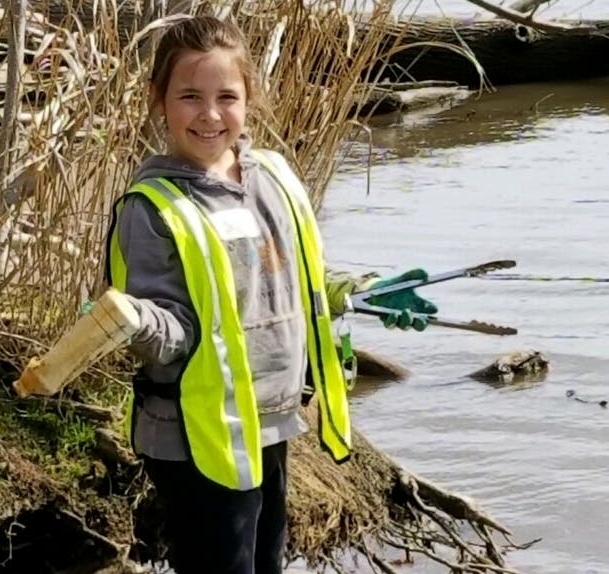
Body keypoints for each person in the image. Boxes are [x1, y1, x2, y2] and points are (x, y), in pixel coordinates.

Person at [103, 15, 436, 574]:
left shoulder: (275, 177)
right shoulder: (152, 208)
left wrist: (359, 292)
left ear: (249, 97)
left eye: (225, 96)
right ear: (158, 100)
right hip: (194, 435)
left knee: (267, 563)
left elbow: (296, 275)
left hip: (272, 417)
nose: (209, 114)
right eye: (189, 96)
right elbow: (176, 328)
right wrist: (136, 321)